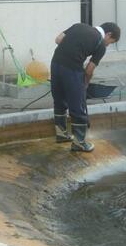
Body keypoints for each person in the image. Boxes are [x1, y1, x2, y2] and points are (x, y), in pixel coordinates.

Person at [50, 22, 121, 152]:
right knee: (78, 105)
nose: (108, 45)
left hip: (55, 63)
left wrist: (71, 49)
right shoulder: (100, 44)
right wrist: (85, 84)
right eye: (110, 42)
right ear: (108, 34)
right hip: (72, 69)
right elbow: (89, 70)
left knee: (60, 99)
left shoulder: (78, 26)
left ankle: (61, 134)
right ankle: (79, 142)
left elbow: (58, 39)